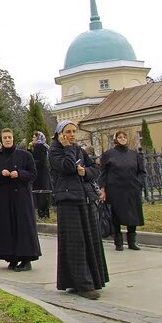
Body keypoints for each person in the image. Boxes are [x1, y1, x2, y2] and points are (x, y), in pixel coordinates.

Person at [49, 120, 109, 300]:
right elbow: (66, 167)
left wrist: (85, 173)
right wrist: (67, 149)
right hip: (68, 201)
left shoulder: (79, 150)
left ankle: (92, 279)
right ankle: (82, 284)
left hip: (84, 198)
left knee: (89, 240)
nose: (72, 135)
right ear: (60, 134)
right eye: (68, 131)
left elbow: (94, 169)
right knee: (76, 243)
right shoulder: (54, 151)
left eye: (74, 131)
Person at [0, 128, 42, 272]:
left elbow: (33, 173)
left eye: (10, 137)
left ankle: (26, 259)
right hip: (3, 198)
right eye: (5, 138)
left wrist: (20, 174)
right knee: (6, 228)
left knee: (23, 227)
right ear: (1, 139)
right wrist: (0, 174)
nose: (8, 140)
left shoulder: (25, 155)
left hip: (21, 198)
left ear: (13, 138)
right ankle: (11, 257)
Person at [99, 130, 146, 251]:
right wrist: (103, 189)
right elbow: (103, 173)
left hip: (132, 189)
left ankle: (132, 242)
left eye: (124, 136)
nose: (122, 138)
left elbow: (141, 172)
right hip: (115, 190)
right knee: (116, 216)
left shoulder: (134, 154)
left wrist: (138, 183)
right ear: (115, 139)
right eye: (119, 137)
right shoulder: (108, 154)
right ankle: (118, 243)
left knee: (133, 215)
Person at [32, 131, 52, 219]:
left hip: (40, 174)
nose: (32, 139)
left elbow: (40, 160)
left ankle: (42, 213)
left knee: (41, 194)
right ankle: (45, 213)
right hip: (44, 173)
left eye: (34, 137)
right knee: (44, 193)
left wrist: (32, 163)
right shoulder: (45, 146)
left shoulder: (39, 146)